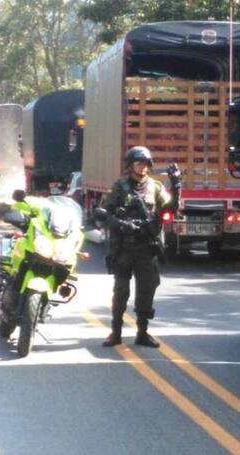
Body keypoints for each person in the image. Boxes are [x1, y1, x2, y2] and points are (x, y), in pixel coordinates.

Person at [102, 146, 181, 348]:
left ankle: (142, 332)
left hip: (146, 248)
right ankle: (116, 332)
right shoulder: (119, 186)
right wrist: (122, 224)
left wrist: (176, 186)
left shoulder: (155, 187)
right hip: (124, 248)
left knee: (147, 290)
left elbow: (170, 208)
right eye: (139, 163)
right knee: (121, 292)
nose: (143, 167)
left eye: (146, 164)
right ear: (130, 165)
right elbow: (104, 214)